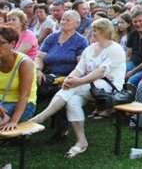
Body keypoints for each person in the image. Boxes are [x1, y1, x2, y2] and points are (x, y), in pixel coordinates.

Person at [30, 19, 126, 158]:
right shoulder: (90, 48)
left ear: (104, 32)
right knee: (72, 101)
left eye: (95, 31)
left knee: (72, 89)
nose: (91, 34)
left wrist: (77, 82)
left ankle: (40, 118)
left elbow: (101, 72)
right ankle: (81, 141)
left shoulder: (115, 49)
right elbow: (78, 69)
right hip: (87, 85)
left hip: (109, 87)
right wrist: (69, 79)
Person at [34, 9, 89, 140]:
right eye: (63, 19)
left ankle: (61, 131)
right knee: (32, 89)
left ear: (77, 23)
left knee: (62, 92)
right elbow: (39, 57)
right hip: (47, 75)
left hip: (67, 76)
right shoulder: (52, 37)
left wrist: (68, 79)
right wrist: (38, 70)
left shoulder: (81, 41)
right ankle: (25, 124)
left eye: (67, 20)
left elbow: (80, 65)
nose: (63, 21)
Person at [0, 27, 36, 131]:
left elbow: (25, 95)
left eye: (1, 43)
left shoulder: (24, 63)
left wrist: (14, 121)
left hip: (22, 104)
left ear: (12, 44)